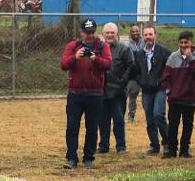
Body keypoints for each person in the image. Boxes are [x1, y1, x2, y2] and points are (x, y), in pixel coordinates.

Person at [61, 18, 112, 168]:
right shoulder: (72, 46)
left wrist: (95, 59)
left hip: (95, 93)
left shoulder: (102, 46)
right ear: (81, 32)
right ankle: (71, 157)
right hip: (75, 93)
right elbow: (63, 64)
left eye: (92, 32)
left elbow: (108, 64)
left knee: (92, 127)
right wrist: (75, 57)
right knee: (72, 126)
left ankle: (88, 157)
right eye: (86, 32)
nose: (89, 35)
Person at [160, 31, 195, 158]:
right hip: (175, 98)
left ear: (191, 42)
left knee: (188, 125)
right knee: (173, 125)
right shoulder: (173, 57)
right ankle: (172, 150)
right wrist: (169, 91)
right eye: (181, 42)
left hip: (189, 98)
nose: (183, 45)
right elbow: (165, 76)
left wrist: (190, 58)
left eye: (186, 42)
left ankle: (184, 150)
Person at [133, 25, 172, 155]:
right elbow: (136, 71)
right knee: (149, 119)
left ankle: (167, 142)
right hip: (146, 90)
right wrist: (141, 81)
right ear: (143, 37)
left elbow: (170, 70)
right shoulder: (139, 54)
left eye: (150, 34)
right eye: (146, 35)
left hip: (160, 89)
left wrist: (162, 82)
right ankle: (154, 146)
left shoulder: (164, 52)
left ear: (155, 35)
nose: (148, 37)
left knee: (158, 114)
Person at [98, 23, 135, 153]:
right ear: (103, 34)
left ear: (117, 34)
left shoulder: (124, 49)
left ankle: (121, 146)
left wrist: (123, 81)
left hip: (118, 92)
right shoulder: (98, 50)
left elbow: (131, 66)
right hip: (101, 91)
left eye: (112, 33)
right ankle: (103, 145)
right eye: (107, 33)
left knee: (118, 120)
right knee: (102, 121)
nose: (109, 35)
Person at [123, 24, 143, 122]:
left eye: (137, 31)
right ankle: (131, 116)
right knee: (132, 95)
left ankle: (151, 116)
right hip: (133, 75)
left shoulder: (145, 43)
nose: (135, 33)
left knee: (149, 96)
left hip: (145, 74)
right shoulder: (127, 45)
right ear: (130, 33)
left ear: (140, 32)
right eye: (133, 31)